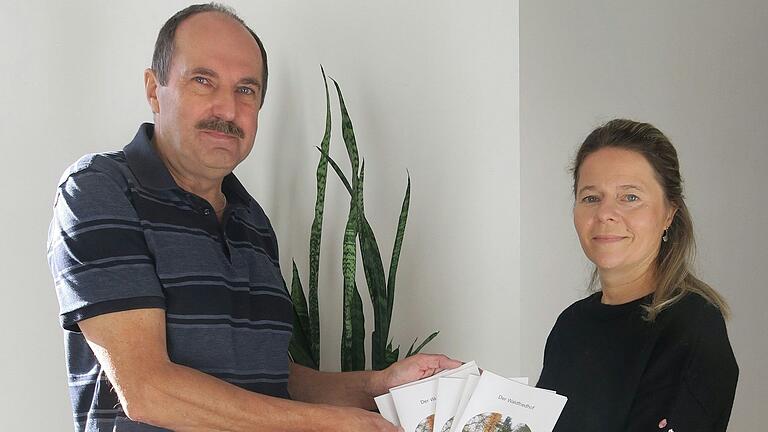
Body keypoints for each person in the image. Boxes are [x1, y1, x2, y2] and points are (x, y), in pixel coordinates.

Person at [46, 4, 460, 431]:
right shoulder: (99, 189)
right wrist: (332, 425)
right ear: (155, 89)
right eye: (203, 81)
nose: (227, 110)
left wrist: (380, 384)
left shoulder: (252, 222)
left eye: (246, 90)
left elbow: (273, 382)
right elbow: (149, 389)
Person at [536, 119, 738, 431]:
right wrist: (465, 389)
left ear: (669, 213)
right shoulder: (571, 326)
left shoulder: (692, 328)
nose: (605, 213)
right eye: (591, 197)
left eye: (630, 197)